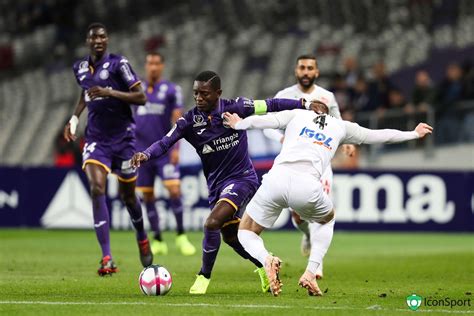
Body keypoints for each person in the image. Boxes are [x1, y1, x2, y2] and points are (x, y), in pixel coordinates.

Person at [131, 70, 322, 294]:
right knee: (231, 236)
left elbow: (271, 104)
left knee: (211, 223)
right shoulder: (189, 121)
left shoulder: (237, 107)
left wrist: (303, 103)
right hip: (216, 187)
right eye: (196, 94)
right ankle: (265, 265)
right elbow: (165, 142)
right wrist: (145, 154)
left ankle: (203, 276)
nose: (199, 98)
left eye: (204, 94)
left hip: (242, 179)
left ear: (218, 93)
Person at [223, 103, 433, 296]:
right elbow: (378, 135)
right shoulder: (340, 126)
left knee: (246, 231)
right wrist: (413, 134)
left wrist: (239, 123)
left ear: (312, 109)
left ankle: (266, 259)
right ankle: (311, 272)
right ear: (328, 112)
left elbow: (265, 120)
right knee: (327, 219)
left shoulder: (298, 114)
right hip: (306, 186)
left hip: (276, 179)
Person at [63, 23, 152, 276]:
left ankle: (142, 236)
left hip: (124, 140)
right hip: (96, 140)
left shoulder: (118, 65)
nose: (98, 40)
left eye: (102, 36)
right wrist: (74, 118)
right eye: (94, 37)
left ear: (107, 40)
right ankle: (107, 257)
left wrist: (109, 92)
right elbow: (85, 95)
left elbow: (141, 97)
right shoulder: (79, 68)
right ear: (88, 41)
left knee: (128, 197)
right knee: (96, 188)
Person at [263, 54, 355, 279]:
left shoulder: (327, 97)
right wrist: (281, 139)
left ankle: (316, 265)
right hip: (292, 164)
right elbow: (267, 126)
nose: (305, 71)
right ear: (296, 71)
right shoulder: (283, 96)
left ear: (317, 72)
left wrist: (348, 143)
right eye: (302, 67)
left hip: (320, 164)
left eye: (310, 68)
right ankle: (307, 235)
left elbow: (338, 125)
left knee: (319, 211)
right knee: (298, 216)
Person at [134, 52, 196, 256]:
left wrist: (176, 148)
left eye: (156, 63)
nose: (152, 67)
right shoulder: (136, 89)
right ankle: (158, 238)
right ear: (146, 65)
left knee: (175, 191)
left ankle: (181, 236)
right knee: (148, 195)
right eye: (149, 63)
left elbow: (177, 120)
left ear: (162, 66)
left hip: (163, 151)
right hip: (141, 153)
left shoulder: (171, 90)